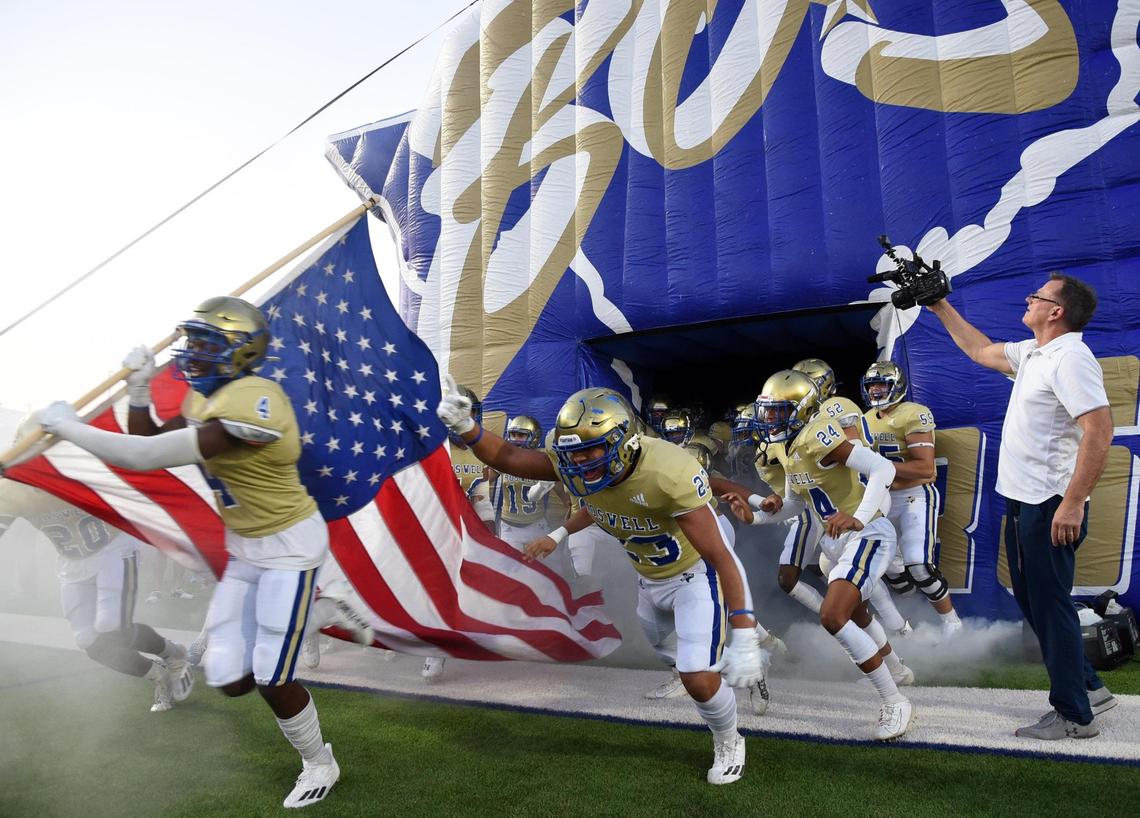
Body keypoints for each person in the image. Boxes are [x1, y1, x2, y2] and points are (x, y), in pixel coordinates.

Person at [38, 296, 343, 808]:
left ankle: (319, 761)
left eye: (207, 343)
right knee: (228, 679)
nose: (193, 352)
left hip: (290, 548)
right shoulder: (209, 399)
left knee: (271, 676)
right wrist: (138, 391)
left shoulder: (257, 399)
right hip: (248, 548)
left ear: (243, 353)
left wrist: (68, 427)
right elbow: (153, 439)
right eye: (193, 340)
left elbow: (143, 456)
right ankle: (314, 614)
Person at [438, 380, 765, 785]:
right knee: (676, 659)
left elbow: (722, 558)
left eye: (591, 451)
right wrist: (468, 429)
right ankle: (720, 669)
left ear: (625, 442)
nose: (580, 463)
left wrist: (746, 632)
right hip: (648, 579)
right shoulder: (584, 464)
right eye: (572, 454)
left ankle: (730, 738)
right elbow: (509, 456)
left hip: (694, 574)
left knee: (697, 675)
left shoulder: (668, 471)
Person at [927, 273, 1116, 739]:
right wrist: (939, 306)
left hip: (1051, 504)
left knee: (1050, 608)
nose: (1028, 300)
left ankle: (1075, 716)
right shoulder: (1036, 352)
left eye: (1038, 296)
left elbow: (1100, 430)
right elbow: (980, 351)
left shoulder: (1071, 357)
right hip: (1024, 500)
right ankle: (1089, 687)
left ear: (1056, 312)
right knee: (1036, 604)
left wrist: (1072, 504)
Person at [726, 370, 916, 741]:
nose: (769, 422)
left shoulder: (817, 435)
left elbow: (883, 468)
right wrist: (756, 517)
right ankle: (896, 666)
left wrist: (858, 517)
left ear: (803, 410)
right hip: (838, 539)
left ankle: (895, 701)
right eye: (767, 412)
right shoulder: (789, 447)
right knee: (856, 612)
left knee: (833, 615)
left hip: (869, 532)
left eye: (778, 413)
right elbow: (797, 503)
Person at [0, 467, 194, 713]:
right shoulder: (10, 489)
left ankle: (174, 654)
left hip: (113, 549)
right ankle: (159, 677)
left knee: (111, 626)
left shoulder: (78, 469)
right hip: (72, 562)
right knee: (88, 641)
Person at [861, 361, 963, 637]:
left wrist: (881, 468)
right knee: (892, 574)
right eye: (873, 385)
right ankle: (906, 628)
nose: (877, 390)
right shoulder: (865, 419)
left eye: (882, 384)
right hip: (881, 500)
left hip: (913, 496)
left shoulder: (913, 414)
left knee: (919, 567)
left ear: (897, 386)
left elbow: (925, 468)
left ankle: (953, 624)